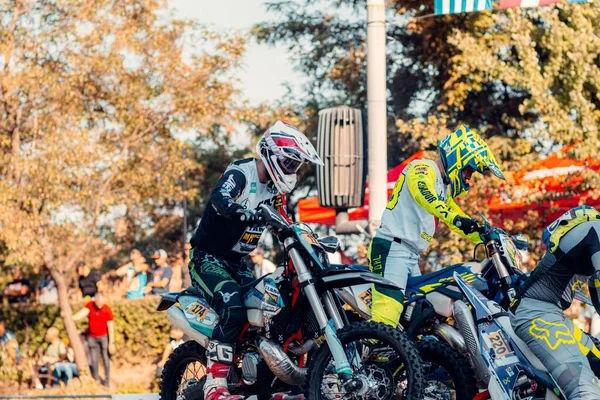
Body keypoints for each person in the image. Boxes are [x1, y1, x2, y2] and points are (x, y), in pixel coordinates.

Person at [188, 121, 322, 400]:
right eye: (289, 162)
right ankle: (215, 385)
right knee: (232, 304)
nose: (291, 170)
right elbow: (219, 198)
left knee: (273, 307)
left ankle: (273, 383)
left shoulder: (276, 192)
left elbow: (285, 224)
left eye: (295, 165)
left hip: (238, 265)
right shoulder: (241, 172)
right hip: (207, 259)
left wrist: (305, 241)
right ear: (272, 154)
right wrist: (240, 211)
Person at [369, 125, 505, 327]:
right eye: (469, 170)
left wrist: (487, 236)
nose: (468, 178)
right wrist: (456, 218)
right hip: (391, 248)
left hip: (409, 255)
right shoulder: (423, 168)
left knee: (420, 316)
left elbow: (458, 218)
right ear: (458, 158)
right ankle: (365, 355)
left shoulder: (443, 188)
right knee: (388, 313)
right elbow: (424, 195)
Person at [510, 205, 600, 399]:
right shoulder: (596, 230)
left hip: (552, 315)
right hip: (535, 313)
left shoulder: (592, 233)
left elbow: (597, 292)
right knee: (585, 389)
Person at [72, 293, 115, 387]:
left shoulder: (107, 309)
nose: (99, 305)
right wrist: (71, 318)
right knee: (94, 360)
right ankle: (96, 381)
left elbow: (110, 327)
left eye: (101, 303)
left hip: (103, 337)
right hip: (92, 337)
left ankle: (107, 382)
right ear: (95, 301)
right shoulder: (90, 305)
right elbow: (81, 314)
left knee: (105, 359)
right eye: (98, 303)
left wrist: (111, 342)